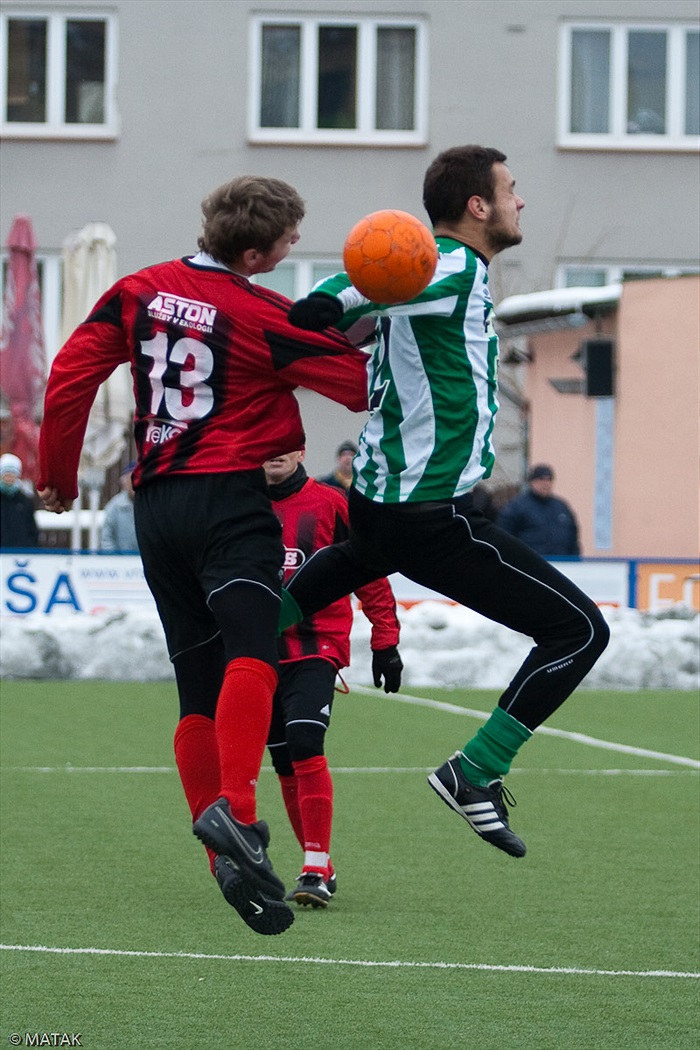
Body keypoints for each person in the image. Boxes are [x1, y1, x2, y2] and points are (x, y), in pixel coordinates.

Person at [36, 174, 375, 937]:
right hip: (229, 501)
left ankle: (221, 858)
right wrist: (369, 322)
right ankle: (244, 826)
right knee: (254, 648)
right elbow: (356, 388)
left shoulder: (138, 289)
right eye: (289, 241)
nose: (293, 251)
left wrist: (57, 477)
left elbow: (70, 376)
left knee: (195, 678)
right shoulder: (264, 313)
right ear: (256, 251)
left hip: (156, 506)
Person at [285, 144, 610, 859]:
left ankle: (245, 636)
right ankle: (476, 772)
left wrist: (329, 310)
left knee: (353, 558)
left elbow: (367, 293)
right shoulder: (451, 263)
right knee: (580, 632)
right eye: (511, 189)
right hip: (422, 512)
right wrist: (323, 305)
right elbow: (353, 290)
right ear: (478, 205)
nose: (521, 201)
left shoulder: (437, 268)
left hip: (389, 503)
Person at [264, 448, 402, 908]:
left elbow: (369, 571)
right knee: (284, 763)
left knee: (305, 741)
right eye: (263, 447)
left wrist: (385, 640)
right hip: (256, 654)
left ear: (300, 451)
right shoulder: (238, 504)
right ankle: (319, 858)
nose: (273, 455)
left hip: (316, 648)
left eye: (283, 446)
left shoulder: (331, 503)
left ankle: (314, 868)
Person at [497, 464, 580, 556]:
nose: (545, 483)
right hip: (530, 563)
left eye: (549, 480)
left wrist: (575, 560)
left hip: (562, 564)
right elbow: (505, 537)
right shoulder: (516, 507)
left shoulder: (562, 507)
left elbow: (573, 538)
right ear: (532, 482)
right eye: (541, 479)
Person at [0, 453, 39, 549]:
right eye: (6, 474)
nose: (9, 478)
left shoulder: (26, 502)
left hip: (20, 555)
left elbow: (32, 530)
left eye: (12, 474)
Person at [99, 462, 139, 551]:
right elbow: (106, 539)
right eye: (130, 479)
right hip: (119, 562)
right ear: (124, 483)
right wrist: (114, 560)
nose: (134, 483)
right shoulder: (114, 507)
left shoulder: (150, 504)